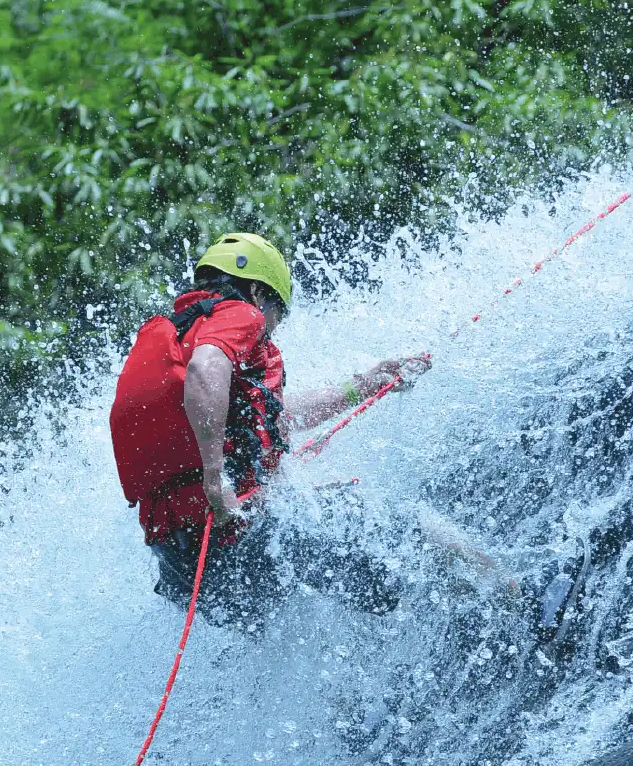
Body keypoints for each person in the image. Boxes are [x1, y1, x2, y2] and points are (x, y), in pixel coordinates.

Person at [109, 233, 431, 632]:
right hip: (239, 537)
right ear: (259, 293)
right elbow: (205, 370)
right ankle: (511, 595)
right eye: (277, 316)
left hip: (183, 567)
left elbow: (272, 416)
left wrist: (360, 387)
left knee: (310, 621)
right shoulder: (240, 316)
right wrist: (214, 479)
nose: (271, 330)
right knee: (407, 529)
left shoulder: (172, 337)